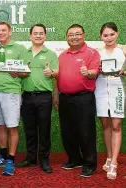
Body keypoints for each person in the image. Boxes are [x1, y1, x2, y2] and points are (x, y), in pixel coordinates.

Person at [58, 24, 100, 178]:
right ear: (66, 37)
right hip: (64, 98)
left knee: (86, 132)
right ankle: (75, 159)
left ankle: (90, 164)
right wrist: (57, 97)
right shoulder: (62, 55)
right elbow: (58, 78)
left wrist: (88, 73)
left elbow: (94, 72)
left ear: (84, 35)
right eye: (70, 34)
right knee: (68, 131)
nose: (74, 37)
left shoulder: (92, 53)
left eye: (77, 34)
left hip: (84, 98)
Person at [16, 24, 58, 174]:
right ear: (30, 35)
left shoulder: (51, 54)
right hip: (26, 96)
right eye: (35, 33)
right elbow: (19, 72)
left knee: (44, 130)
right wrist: (20, 74)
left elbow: (57, 72)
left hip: (44, 97)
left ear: (45, 36)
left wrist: (51, 72)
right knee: (30, 129)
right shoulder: (23, 53)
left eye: (41, 33)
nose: (38, 35)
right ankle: (31, 158)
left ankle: (44, 160)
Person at [0, 22, 29, 176]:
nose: (1, 33)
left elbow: (26, 71)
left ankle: (11, 160)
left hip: (11, 92)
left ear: (10, 32)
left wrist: (18, 72)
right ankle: (3, 157)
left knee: (12, 127)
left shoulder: (19, 49)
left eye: (3, 30)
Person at [94, 22, 126, 180]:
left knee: (116, 125)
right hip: (100, 89)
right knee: (105, 124)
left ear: (117, 34)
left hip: (117, 90)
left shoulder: (123, 51)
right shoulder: (97, 53)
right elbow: (93, 72)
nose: (109, 38)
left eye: (112, 34)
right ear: (101, 36)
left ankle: (114, 163)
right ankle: (108, 157)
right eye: (105, 35)